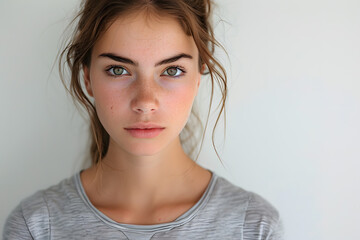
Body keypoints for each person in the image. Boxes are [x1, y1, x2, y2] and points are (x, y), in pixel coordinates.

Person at [3, 0, 283, 239]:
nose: (145, 102)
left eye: (172, 70)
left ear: (199, 76)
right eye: (117, 70)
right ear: (87, 78)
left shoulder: (253, 227)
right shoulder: (37, 226)